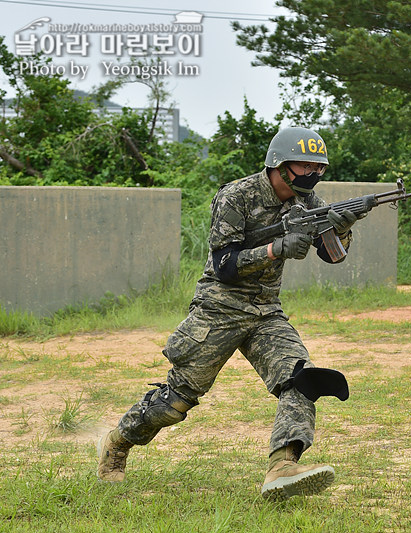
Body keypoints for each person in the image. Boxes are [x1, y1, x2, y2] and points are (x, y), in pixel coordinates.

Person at [97, 127, 361, 501]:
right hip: (219, 307)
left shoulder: (309, 201)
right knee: (176, 402)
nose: (312, 173)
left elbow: (332, 255)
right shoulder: (237, 196)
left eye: (318, 167)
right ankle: (118, 443)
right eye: (304, 165)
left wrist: (342, 225)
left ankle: (282, 465)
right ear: (280, 165)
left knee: (301, 378)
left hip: (266, 311)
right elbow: (224, 264)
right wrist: (276, 248)